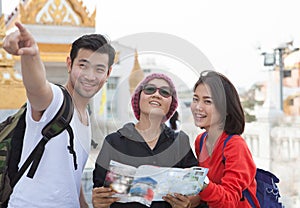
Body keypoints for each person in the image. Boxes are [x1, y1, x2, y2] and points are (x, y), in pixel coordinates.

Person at [3, 22, 115, 208]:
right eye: (83, 65)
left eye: (99, 69)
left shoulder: (85, 117)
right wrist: (31, 55)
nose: (90, 76)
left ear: (108, 73)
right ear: (69, 64)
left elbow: (73, 173)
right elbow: (37, 88)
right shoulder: (56, 101)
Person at [92, 73, 200, 208]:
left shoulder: (180, 142)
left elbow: (196, 190)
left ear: (171, 104)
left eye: (165, 92)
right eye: (150, 89)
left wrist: (188, 203)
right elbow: (99, 191)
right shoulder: (114, 142)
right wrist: (99, 201)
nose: (156, 94)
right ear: (138, 98)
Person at [190, 70, 260, 207]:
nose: (198, 107)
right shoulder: (200, 140)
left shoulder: (235, 146)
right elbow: (208, 195)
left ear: (226, 109)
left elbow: (229, 200)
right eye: (195, 99)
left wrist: (202, 183)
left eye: (207, 101)